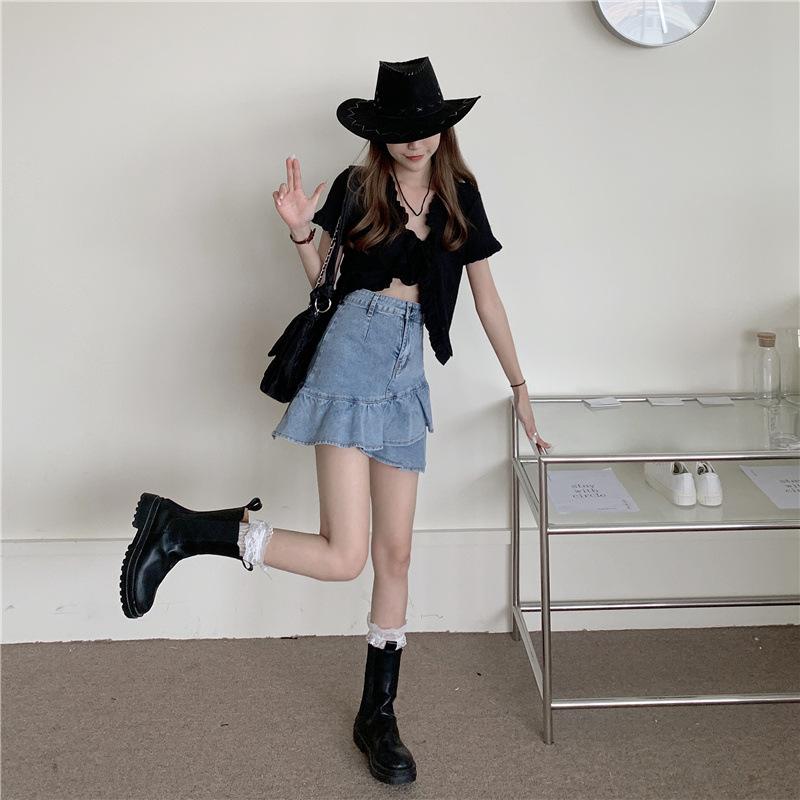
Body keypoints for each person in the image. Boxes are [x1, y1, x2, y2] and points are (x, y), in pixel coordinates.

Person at [119, 56, 551, 787]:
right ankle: (189, 532)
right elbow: (327, 286)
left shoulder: (461, 195)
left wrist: (520, 385)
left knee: (396, 556)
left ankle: (377, 715)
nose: (414, 140)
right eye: (399, 129)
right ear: (379, 134)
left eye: (425, 127)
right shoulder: (359, 187)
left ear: (443, 129)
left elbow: (486, 296)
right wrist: (300, 232)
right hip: (349, 360)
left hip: (406, 375)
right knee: (345, 554)